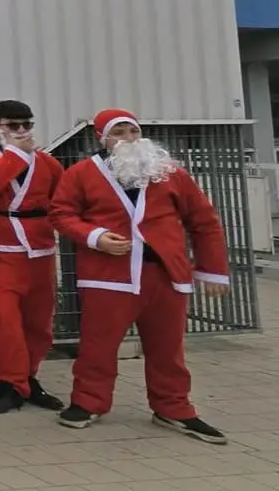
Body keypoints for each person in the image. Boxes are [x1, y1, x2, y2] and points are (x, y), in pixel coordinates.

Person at [50, 109, 230, 442]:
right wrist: (95, 236)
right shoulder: (81, 173)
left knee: (167, 347)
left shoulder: (168, 172)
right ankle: (89, 401)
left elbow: (203, 221)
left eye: (133, 132)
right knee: (98, 346)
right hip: (108, 275)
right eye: (118, 133)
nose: (128, 139)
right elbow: (61, 213)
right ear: (101, 138)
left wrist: (213, 269)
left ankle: (173, 407)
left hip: (164, 274)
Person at [0, 99, 65, 414]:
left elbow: (64, 202)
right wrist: (17, 154)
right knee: (4, 318)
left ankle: (28, 377)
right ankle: (7, 383)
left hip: (40, 246)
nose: (21, 131)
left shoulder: (48, 163)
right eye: (12, 126)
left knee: (39, 320)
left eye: (26, 125)